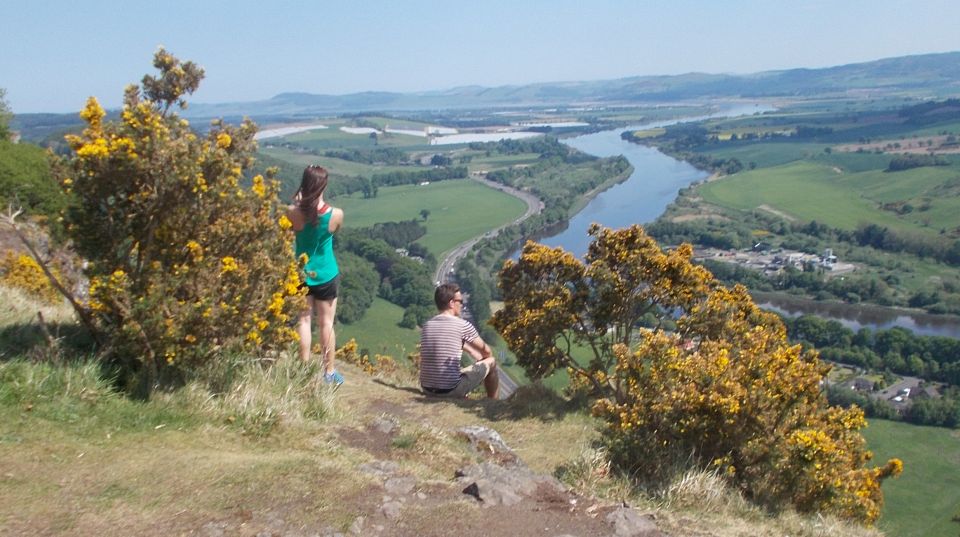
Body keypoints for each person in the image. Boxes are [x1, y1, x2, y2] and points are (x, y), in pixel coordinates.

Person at [287, 165, 345, 385]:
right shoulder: (336, 214)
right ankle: (329, 372)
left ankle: (303, 370)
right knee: (326, 323)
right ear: (324, 185)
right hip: (326, 273)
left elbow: (286, 227)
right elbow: (333, 231)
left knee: (303, 321)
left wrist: (297, 201)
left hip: (300, 273)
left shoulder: (292, 212)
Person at [419, 283, 499, 399]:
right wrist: (483, 360)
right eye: (460, 301)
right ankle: (493, 403)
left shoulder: (427, 325)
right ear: (451, 303)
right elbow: (486, 351)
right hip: (449, 391)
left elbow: (447, 342)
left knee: (456, 372)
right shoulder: (462, 325)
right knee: (491, 361)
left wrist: (470, 351)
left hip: (427, 389)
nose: (462, 304)